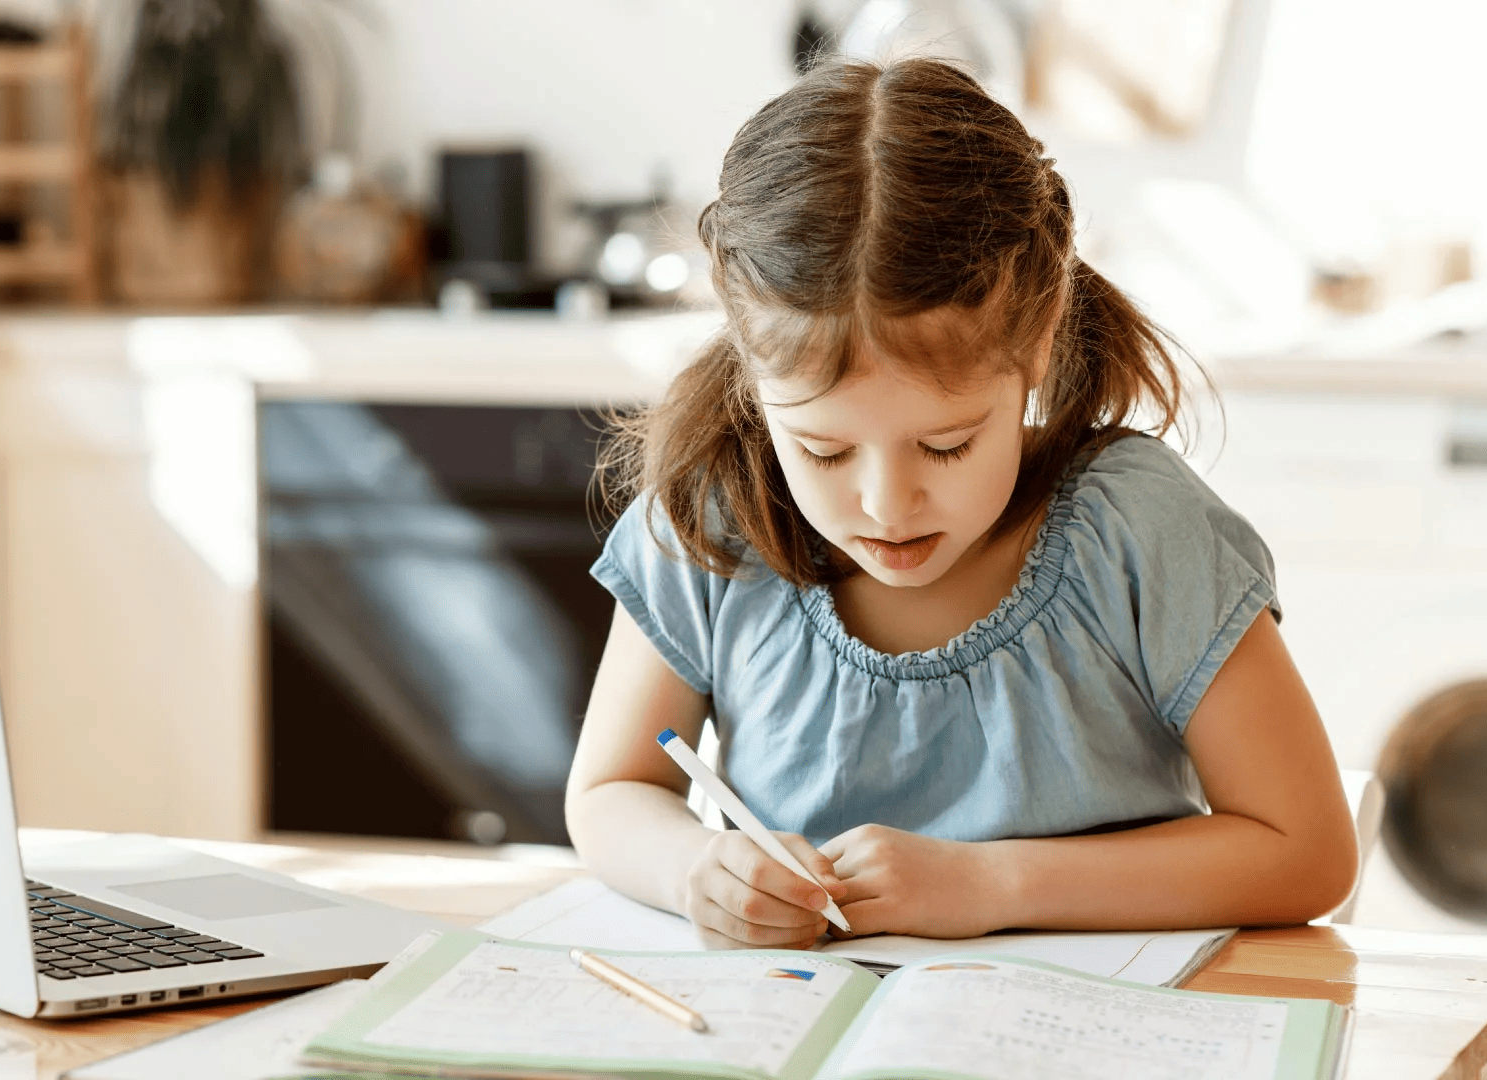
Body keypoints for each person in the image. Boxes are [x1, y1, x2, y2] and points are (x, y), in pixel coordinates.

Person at [564, 57, 1358, 950]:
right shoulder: (714, 522)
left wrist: (993, 881)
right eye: (822, 449)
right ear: (752, 374)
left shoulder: (1141, 534)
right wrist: (692, 870)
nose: (885, 503)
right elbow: (610, 794)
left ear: (1041, 336)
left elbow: (1309, 852)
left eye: (947, 444)